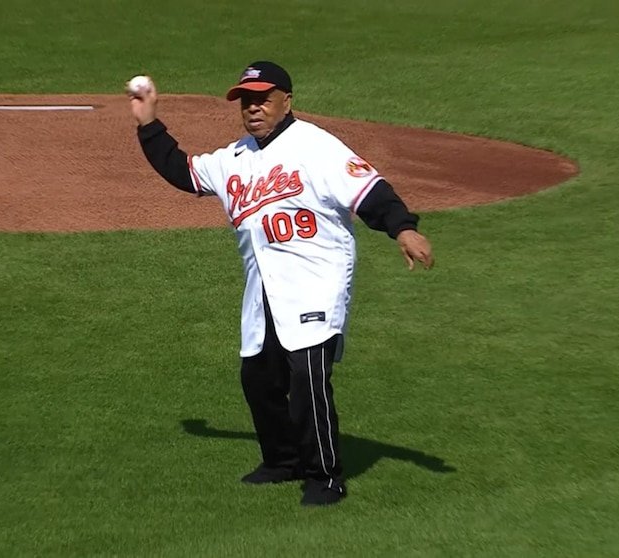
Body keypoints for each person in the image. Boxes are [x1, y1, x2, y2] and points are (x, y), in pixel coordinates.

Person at [128, 61, 434, 506]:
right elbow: (184, 172)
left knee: (307, 377)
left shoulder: (316, 146)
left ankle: (326, 476)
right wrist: (149, 124)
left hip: (316, 280)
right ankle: (282, 460)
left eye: (262, 99)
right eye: (246, 100)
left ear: (285, 101)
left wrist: (403, 229)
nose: (253, 108)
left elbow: (369, 191)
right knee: (259, 378)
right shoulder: (235, 158)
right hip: (264, 287)